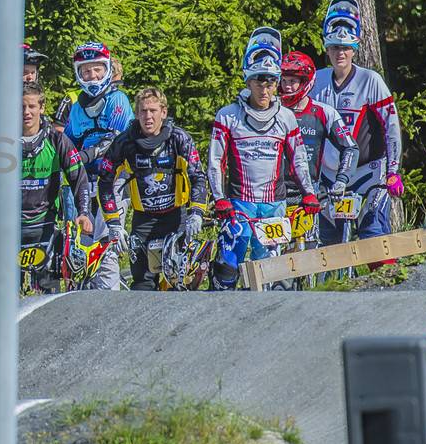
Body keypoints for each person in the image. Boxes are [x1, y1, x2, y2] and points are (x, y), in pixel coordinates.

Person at [207, 29, 320, 290]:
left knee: (268, 270)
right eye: (259, 81)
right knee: (228, 267)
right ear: (248, 81)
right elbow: (215, 161)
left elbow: (299, 159)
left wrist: (309, 194)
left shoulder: (286, 117)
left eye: (270, 82)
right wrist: (219, 198)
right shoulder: (228, 116)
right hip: (239, 203)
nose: (265, 89)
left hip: (274, 204)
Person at [0, 83, 93, 289]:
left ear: (42, 108)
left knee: (47, 295)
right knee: (8, 295)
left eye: (31, 106)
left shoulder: (58, 141)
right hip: (9, 228)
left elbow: (79, 179)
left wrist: (83, 212)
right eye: (21, 107)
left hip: (46, 226)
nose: (26, 112)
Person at [311, 0, 403, 244]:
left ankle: (385, 283)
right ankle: (331, 285)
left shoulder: (371, 80)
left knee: (373, 236)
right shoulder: (316, 82)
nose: (340, 53)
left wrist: (393, 172)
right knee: (328, 245)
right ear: (327, 48)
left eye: (345, 48)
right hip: (330, 178)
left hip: (368, 175)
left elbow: (391, 127)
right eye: (335, 48)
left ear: (354, 49)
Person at [96, 87, 208, 290]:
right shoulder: (124, 142)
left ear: (163, 112)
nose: (148, 116)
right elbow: (104, 180)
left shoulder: (179, 138)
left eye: (153, 111)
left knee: (180, 282)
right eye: (143, 111)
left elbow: (198, 176)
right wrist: (113, 223)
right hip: (143, 222)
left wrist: (197, 213)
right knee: (142, 284)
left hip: (176, 219)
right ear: (137, 114)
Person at [62, 42, 133, 290]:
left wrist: (85, 155)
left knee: (106, 247)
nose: (92, 76)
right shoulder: (77, 109)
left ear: (107, 70)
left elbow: (115, 141)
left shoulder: (118, 100)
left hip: (112, 183)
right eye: (86, 71)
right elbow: (67, 143)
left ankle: (108, 303)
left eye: (97, 70)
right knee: (80, 249)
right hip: (83, 185)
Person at [280, 50, 357, 221]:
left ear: (305, 82)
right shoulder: (273, 111)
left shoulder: (324, 112)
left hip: (308, 194)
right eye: (284, 81)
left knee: (309, 247)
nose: (287, 86)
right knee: (274, 248)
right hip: (275, 194)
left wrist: (341, 181)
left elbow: (350, 147)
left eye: (292, 81)